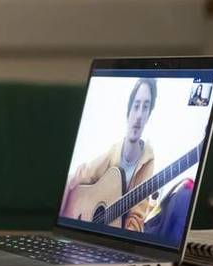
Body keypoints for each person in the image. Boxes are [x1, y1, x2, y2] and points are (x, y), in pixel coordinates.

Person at [62, 78, 159, 231]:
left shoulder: (147, 161)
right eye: (136, 106)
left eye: (145, 107)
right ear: (128, 112)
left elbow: (137, 217)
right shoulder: (113, 153)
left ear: (149, 115)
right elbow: (77, 177)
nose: (139, 115)